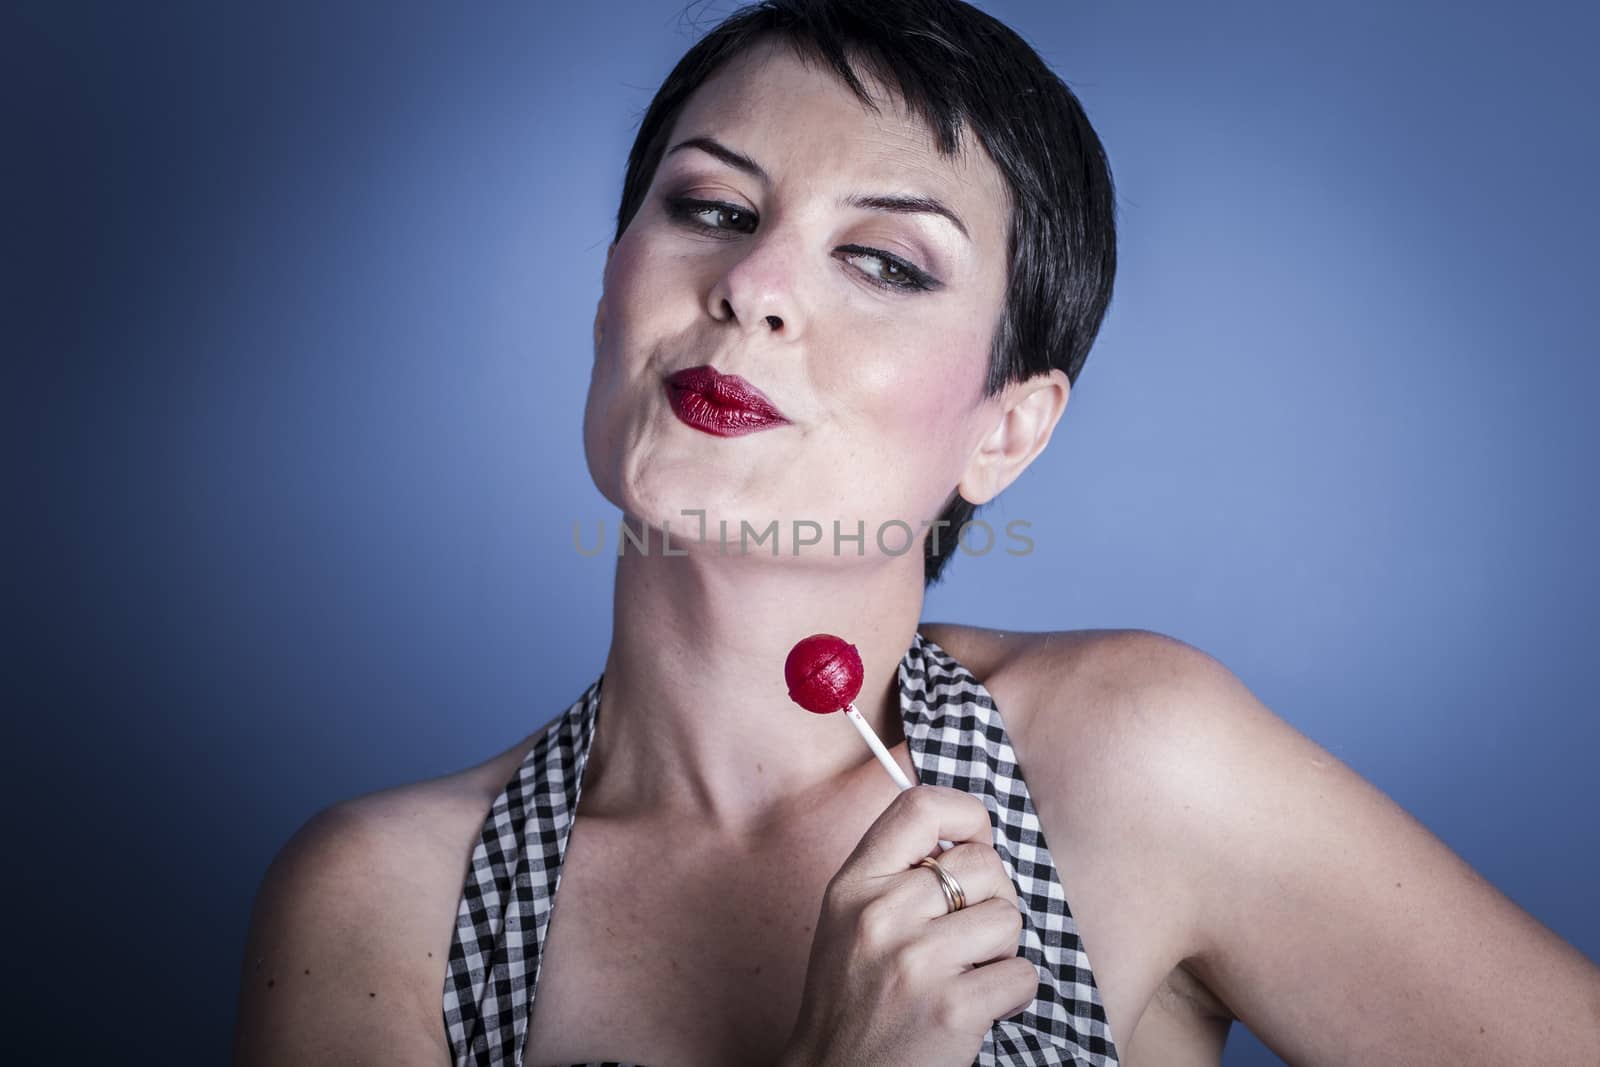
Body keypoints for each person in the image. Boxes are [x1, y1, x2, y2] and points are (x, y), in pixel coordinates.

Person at [231, 1, 1600, 1064]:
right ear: (609, 287)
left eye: (883, 261)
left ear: (1005, 430)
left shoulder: (1135, 767)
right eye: (712, 208)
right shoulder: (379, 903)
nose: (753, 286)